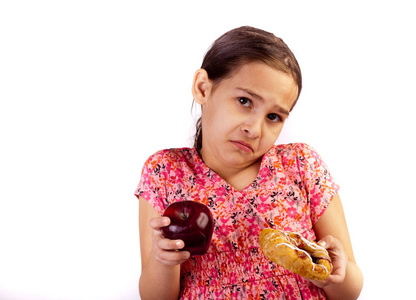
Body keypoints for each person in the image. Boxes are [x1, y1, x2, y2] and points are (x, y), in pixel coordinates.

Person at [135, 26, 363, 300]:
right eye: (244, 101)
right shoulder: (165, 172)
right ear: (203, 88)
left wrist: (338, 274)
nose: (255, 129)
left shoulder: (301, 165)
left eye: (274, 117)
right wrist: (163, 260)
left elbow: (348, 291)